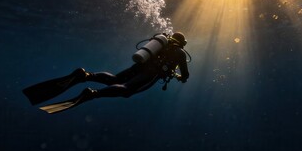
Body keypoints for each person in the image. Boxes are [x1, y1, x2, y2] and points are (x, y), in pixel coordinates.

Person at [23, 32, 190, 114]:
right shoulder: (180, 53)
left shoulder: (162, 44)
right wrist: (181, 77)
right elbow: (185, 75)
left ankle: (86, 75)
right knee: (126, 90)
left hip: (139, 66)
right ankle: (92, 94)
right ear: (182, 43)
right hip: (150, 74)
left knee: (115, 79)